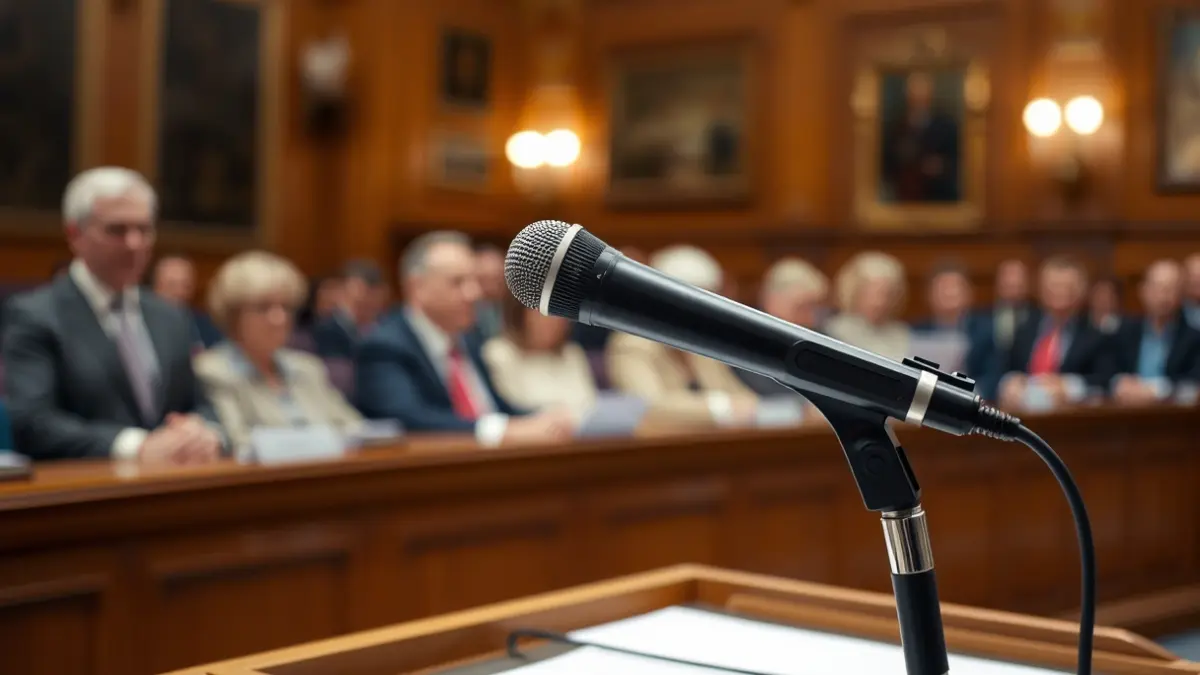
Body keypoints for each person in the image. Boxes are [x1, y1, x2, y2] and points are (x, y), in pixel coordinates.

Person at [1, 167, 223, 462]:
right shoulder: (36, 315)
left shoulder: (170, 316)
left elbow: (201, 405)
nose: (134, 244)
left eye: (144, 230)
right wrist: (136, 446)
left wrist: (203, 431)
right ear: (75, 234)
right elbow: (32, 422)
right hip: (86, 484)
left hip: (173, 482)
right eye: (117, 230)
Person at [355, 231, 572, 443]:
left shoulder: (469, 340)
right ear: (417, 287)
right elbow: (408, 420)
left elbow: (495, 408)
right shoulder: (384, 346)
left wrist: (541, 417)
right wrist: (502, 431)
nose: (474, 293)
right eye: (457, 282)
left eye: (474, 281)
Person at [195, 251, 364, 454]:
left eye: (286, 307)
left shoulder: (307, 367)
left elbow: (356, 428)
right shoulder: (213, 371)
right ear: (233, 315)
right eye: (263, 307)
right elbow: (238, 443)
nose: (279, 318)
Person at [607, 245, 757, 427]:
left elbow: (743, 398)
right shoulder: (631, 344)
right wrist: (721, 409)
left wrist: (741, 407)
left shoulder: (702, 342)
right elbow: (650, 407)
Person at [999, 256, 1117, 408]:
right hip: (1023, 412)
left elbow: (1105, 381)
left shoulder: (1096, 335)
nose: (1059, 292)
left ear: (1081, 291)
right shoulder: (1025, 330)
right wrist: (1010, 381)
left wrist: (1068, 386)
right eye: (1053, 286)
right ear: (1041, 290)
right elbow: (1006, 369)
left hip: (1072, 414)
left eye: (1066, 287)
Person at [482, 292, 597, 418]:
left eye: (560, 312)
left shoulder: (572, 353)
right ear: (520, 313)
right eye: (544, 311)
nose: (553, 319)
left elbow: (590, 404)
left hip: (584, 430)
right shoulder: (500, 352)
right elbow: (513, 407)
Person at [1111, 260, 1200, 404]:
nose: (1163, 296)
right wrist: (1119, 382)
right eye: (1157, 288)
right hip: (1126, 409)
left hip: (1174, 413)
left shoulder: (1194, 338)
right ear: (1143, 291)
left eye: (1171, 289)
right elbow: (1106, 373)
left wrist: (1156, 390)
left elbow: (1193, 383)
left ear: (1182, 294)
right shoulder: (1124, 331)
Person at [912, 262, 997, 399]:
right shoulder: (917, 332)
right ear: (930, 295)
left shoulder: (985, 331)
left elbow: (992, 376)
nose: (949, 293)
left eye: (955, 288)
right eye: (943, 288)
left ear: (969, 294)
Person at [880, 71, 960, 202]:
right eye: (914, 92)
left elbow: (958, 160)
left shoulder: (947, 126)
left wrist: (941, 166)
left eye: (923, 92)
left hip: (940, 197)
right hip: (904, 197)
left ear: (930, 94)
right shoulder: (896, 127)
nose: (918, 97)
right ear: (907, 95)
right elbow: (886, 164)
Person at [826, 251, 912, 361]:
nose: (879, 302)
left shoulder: (903, 334)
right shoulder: (833, 332)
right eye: (870, 293)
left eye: (888, 294)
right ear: (853, 292)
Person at [312, 259, 387, 359]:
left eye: (368, 295)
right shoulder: (328, 330)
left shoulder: (386, 326)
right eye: (355, 299)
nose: (361, 297)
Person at [149, 254, 223, 348]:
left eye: (185, 286)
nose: (179, 292)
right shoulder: (141, 325)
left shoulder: (207, 326)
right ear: (155, 288)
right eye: (172, 285)